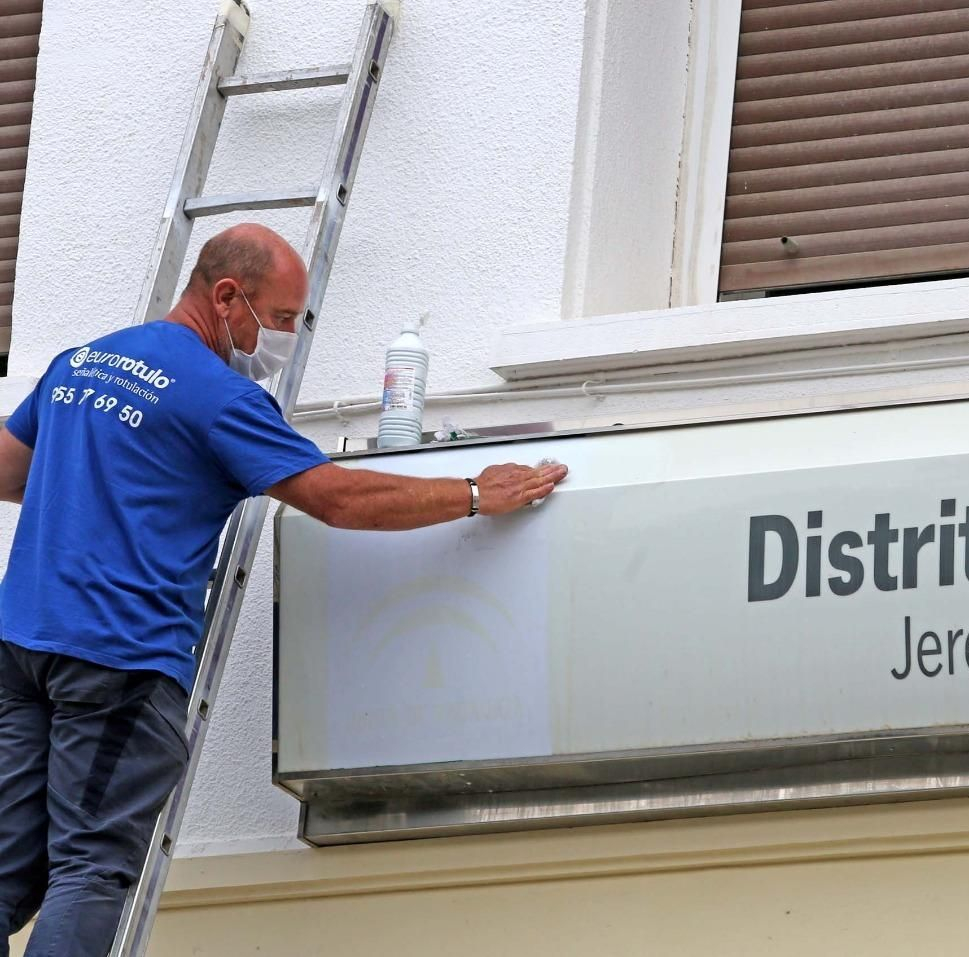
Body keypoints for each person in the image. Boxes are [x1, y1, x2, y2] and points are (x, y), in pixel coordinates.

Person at [0, 223, 567, 956]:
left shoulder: (78, 364)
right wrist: (470, 492)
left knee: (7, 865)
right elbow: (338, 499)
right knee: (92, 865)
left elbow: (10, 472)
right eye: (284, 319)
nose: (288, 339)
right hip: (118, 659)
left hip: (21, 646)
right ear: (227, 296)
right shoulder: (217, 396)